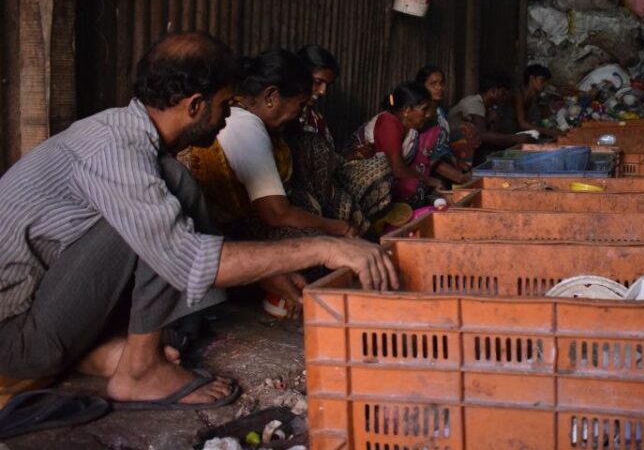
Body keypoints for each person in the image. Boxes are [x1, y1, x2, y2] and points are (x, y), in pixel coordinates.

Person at [0, 32, 396, 413]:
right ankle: (137, 371)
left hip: (41, 306)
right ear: (194, 105)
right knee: (162, 221)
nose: (227, 117)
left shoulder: (127, 135)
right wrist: (325, 247)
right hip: (14, 338)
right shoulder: (114, 150)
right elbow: (187, 260)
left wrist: (261, 273)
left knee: (177, 188)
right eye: (225, 104)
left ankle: (106, 353)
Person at [181, 49, 357, 239]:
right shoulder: (246, 125)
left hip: (234, 224)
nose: (299, 114)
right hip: (229, 232)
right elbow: (276, 213)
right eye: (299, 105)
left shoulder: (244, 114)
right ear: (271, 96)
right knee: (320, 244)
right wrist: (338, 227)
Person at [285, 46, 392, 235]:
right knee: (342, 205)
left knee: (379, 167)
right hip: (299, 186)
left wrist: (349, 156)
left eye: (327, 85)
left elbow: (325, 158)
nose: (323, 91)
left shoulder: (315, 117)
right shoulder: (286, 114)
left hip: (327, 179)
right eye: (318, 82)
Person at [345, 82, 442, 208]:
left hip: (384, 180)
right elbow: (398, 170)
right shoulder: (389, 122)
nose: (428, 115)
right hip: (359, 182)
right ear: (407, 110)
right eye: (424, 109)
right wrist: (430, 181)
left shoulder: (410, 129)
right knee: (413, 187)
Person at [448, 71, 532, 164]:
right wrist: (515, 138)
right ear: (493, 91)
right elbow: (483, 135)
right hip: (452, 151)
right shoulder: (474, 102)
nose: (504, 97)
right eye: (503, 93)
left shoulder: (489, 108)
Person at [415, 66, 469, 184]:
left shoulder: (440, 113)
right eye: (433, 84)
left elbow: (443, 149)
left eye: (441, 83)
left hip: (436, 165)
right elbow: (428, 154)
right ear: (422, 86)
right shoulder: (418, 115)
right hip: (418, 168)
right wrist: (461, 178)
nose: (439, 88)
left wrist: (456, 163)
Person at [513, 64, 561, 139]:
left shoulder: (536, 96)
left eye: (546, 82)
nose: (544, 84)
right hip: (511, 133)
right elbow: (522, 123)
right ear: (532, 78)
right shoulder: (518, 93)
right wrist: (548, 131)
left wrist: (551, 127)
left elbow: (544, 116)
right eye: (542, 80)